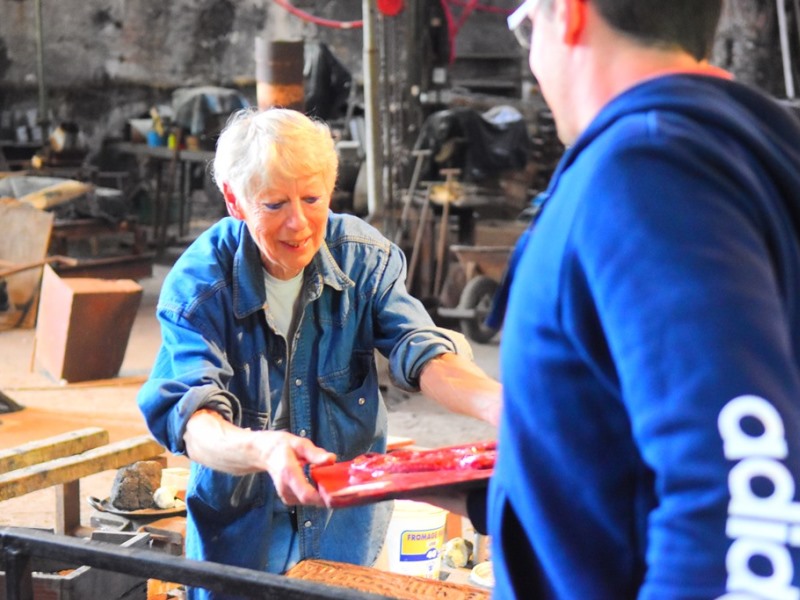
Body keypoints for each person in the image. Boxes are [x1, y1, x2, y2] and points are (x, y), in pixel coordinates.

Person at [466, 0, 800, 598]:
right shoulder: (738, 147)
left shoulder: (648, 170)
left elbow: (739, 495)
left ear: (568, 13)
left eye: (527, 25)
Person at [136, 107, 501, 598]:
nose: (299, 224)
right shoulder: (200, 286)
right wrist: (263, 450)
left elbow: (422, 351)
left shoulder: (363, 258)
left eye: (312, 199)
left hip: (344, 531)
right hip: (241, 540)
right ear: (235, 200)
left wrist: (504, 408)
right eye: (274, 204)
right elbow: (191, 420)